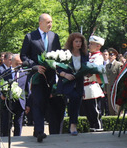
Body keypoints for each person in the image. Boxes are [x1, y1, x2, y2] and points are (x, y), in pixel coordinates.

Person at [20, 13, 63, 141]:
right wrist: (35, 66)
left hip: (51, 77)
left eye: (51, 22)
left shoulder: (54, 36)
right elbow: (24, 57)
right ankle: (39, 131)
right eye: (48, 22)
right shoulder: (30, 37)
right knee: (38, 102)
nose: (50, 24)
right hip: (37, 77)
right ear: (40, 23)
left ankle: (50, 131)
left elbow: (58, 54)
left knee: (47, 104)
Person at [59, 32, 90, 136]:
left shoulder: (85, 54)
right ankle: (68, 125)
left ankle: (73, 125)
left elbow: (86, 68)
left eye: (80, 41)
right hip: (67, 83)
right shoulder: (64, 53)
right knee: (73, 100)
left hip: (79, 84)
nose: (78, 43)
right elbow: (57, 68)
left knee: (77, 102)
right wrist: (64, 75)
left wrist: (88, 73)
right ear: (71, 42)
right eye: (76, 41)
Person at [82, 35, 106, 131]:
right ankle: (92, 126)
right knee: (87, 110)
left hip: (92, 85)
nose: (89, 45)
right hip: (85, 86)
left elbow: (95, 68)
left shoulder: (98, 56)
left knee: (95, 109)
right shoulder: (88, 55)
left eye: (92, 44)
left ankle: (98, 126)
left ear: (98, 46)